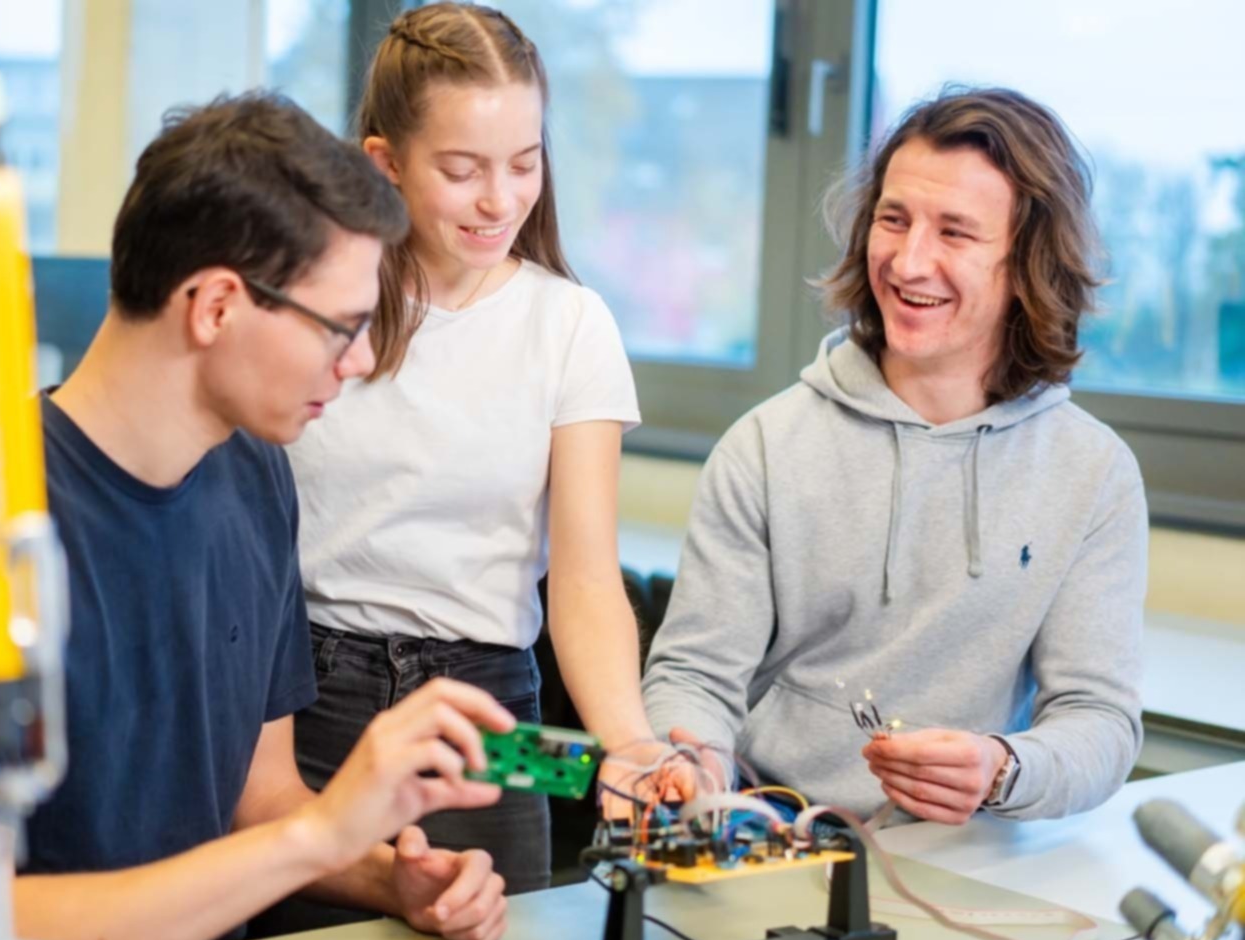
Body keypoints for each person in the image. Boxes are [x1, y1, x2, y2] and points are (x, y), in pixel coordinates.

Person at [0, 93, 513, 940]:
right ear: (215, 306)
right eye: (342, 327)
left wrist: (390, 880)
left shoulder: (255, 472)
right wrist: (319, 836)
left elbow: (262, 800)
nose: (362, 361)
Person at [642, 86, 1148, 826]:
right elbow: (694, 677)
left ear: (1027, 263)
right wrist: (694, 768)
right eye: (894, 219)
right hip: (772, 833)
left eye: (955, 233)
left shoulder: (1094, 473)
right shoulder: (766, 446)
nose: (909, 264)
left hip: (970, 854)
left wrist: (1002, 768)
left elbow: (1099, 721)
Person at [284, 3, 651, 893]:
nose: (500, 200)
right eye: (462, 170)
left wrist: (630, 743)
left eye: (524, 164)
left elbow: (585, 579)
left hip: (492, 716)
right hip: (311, 694)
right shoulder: (318, 304)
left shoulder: (570, 323)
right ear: (385, 163)